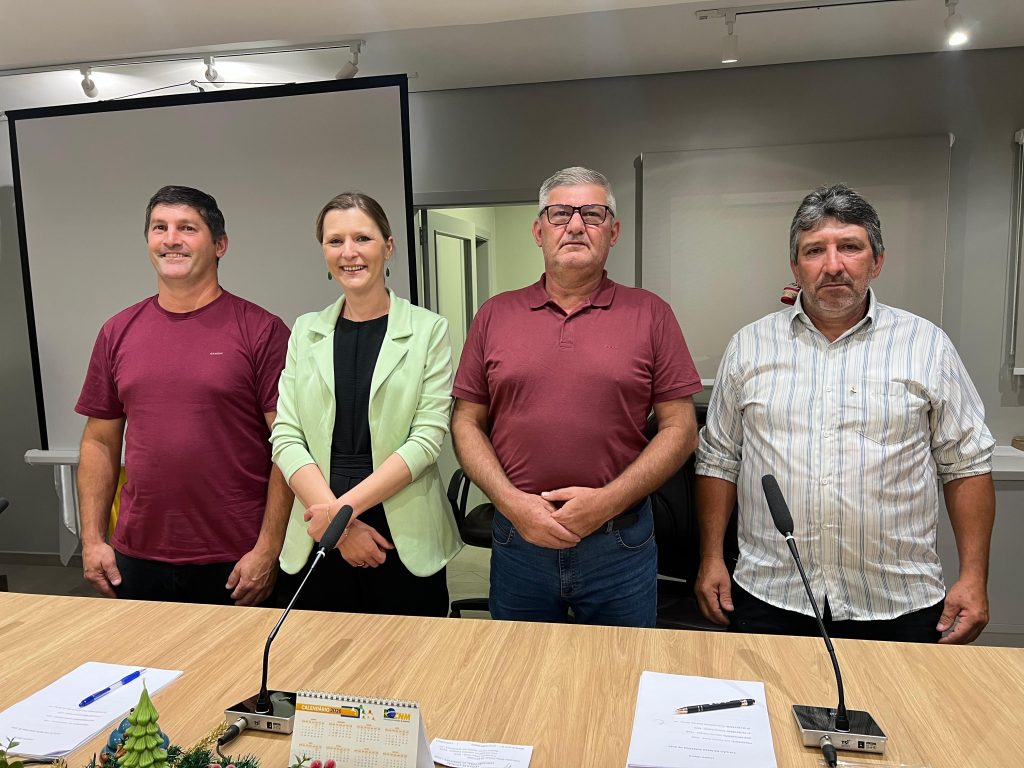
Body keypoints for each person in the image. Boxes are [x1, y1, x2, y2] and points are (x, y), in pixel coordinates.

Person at [695, 183, 996, 644]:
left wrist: (974, 576)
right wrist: (711, 558)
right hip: (772, 595)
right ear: (795, 266)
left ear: (877, 261)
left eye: (850, 247)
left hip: (898, 601)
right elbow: (719, 460)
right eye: (815, 250)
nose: (833, 265)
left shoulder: (927, 346)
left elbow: (967, 465)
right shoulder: (748, 347)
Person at [451, 167, 702, 627]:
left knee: (621, 667)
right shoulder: (494, 315)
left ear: (614, 231)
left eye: (592, 213)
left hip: (618, 545)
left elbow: (681, 429)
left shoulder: (651, 314)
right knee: (520, 665)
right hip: (519, 542)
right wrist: (512, 504)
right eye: (560, 213)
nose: (575, 225)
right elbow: (466, 421)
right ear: (538, 231)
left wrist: (608, 501)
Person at [76, 185, 293, 605]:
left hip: (237, 560)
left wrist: (268, 549)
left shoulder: (262, 331)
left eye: (187, 228)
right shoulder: (117, 331)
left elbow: (289, 446)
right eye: (160, 228)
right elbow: (99, 440)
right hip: (135, 558)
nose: (171, 239)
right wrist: (92, 540)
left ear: (220, 245)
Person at [271, 192, 462, 616]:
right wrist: (338, 527)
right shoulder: (305, 331)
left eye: (362, 238)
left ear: (388, 247)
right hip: (317, 524)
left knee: (407, 655)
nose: (349, 252)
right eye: (335, 241)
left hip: (399, 530)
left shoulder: (428, 330)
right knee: (318, 658)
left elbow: (427, 440)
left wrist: (341, 514)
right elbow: (285, 436)